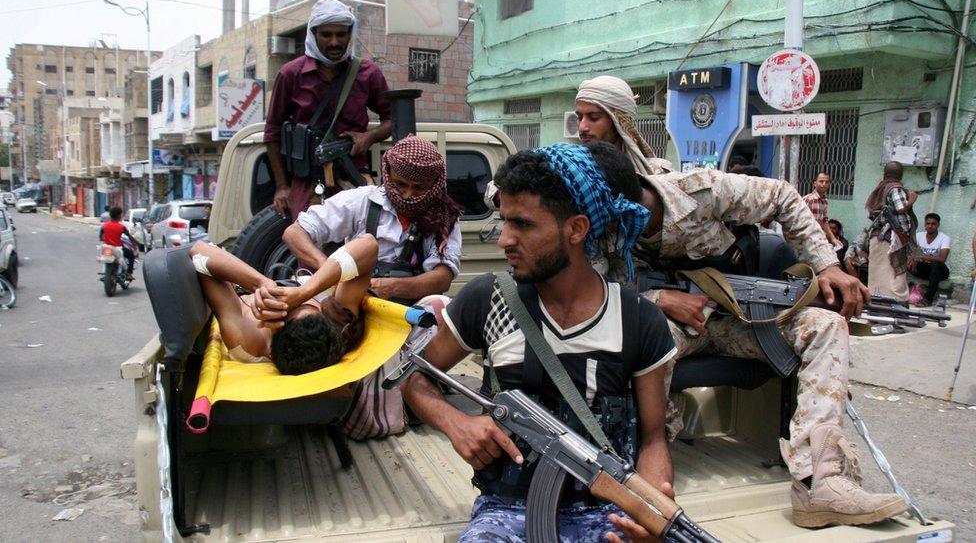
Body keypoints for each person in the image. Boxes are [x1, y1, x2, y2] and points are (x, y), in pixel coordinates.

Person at [591, 140, 907, 528]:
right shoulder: (597, 221)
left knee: (826, 327)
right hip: (668, 325)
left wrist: (826, 264)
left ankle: (818, 482)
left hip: (738, 316)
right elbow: (595, 290)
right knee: (650, 346)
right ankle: (649, 466)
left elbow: (782, 196)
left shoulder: (699, 192)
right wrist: (659, 298)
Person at [402, 145, 675, 543]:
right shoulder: (488, 300)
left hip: (608, 514)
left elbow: (653, 439)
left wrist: (650, 515)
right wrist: (455, 422)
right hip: (505, 514)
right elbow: (414, 379)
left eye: (523, 225)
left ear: (576, 229)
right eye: (504, 222)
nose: (505, 240)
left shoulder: (638, 320)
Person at [284, 135, 462, 438]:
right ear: (388, 173)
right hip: (349, 301)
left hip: (399, 314)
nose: (408, 195)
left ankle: (412, 388)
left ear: (435, 183)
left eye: (419, 188)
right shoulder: (360, 201)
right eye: (401, 184)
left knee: (441, 309)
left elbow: (444, 276)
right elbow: (295, 233)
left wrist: (389, 287)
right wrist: (332, 272)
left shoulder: (444, 216)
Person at [264, 0, 393, 219]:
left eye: (341, 35)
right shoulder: (291, 74)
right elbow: (273, 132)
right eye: (326, 35)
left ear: (349, 35)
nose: (334, 42)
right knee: (309, 248)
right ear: (313, 35)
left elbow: (393, 119)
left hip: (353, 181)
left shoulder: (367, 72)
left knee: (360, 248)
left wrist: (369, 137)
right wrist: (282, 186)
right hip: (308, 184)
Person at [190, 235, 377, 376]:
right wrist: (304, 292)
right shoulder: (340, 321)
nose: (304, 302)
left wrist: (261, 285)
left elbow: (199, 252)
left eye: (293, 308)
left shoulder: (249, 342)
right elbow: (369, 244)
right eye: (309, 306)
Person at [575, 75, 673, 176]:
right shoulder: (570, 173)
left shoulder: (657, 173)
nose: (582, 127)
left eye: (594, 117)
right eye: (579, 117)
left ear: (620, 121)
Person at [866, 161, 917, 302]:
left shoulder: (880, 189)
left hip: (878, 237)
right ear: (901, 175)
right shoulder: (895, 189)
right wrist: (911, 200)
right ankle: (893, 309)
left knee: (877, 274)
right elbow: (900, 208)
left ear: (884, 174)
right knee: (894, 275)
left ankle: (876, 306)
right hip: (891, 239)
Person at [908, 213, 951, 305]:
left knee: (936, 265)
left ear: (938, 225)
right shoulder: (919, 236)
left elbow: (942, 259)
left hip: (940, 271)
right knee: (905, 261)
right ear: (925, 225)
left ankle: (928, 299)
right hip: (923, 269)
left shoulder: (944, 238)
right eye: (928, 223)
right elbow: (912, 253)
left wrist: (921, 257)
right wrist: (913, 258)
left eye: (933, 224)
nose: (930, 226)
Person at [803, 173, 842, 247]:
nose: (824, 184)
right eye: (821, 181)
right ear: (815, 183)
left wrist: (833, 239)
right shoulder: (808, 199)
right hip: (806, 238)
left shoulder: (825, 201)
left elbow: (824, 221)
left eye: (827, 182)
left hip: (817, 238)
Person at [100, 206, 136, 278]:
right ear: (119, 215)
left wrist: (106, 240)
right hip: (118, 249)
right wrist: (136, 243)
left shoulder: (104, 226)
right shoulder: (121, 227)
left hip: (107, 248)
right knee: (131, 256)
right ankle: (129, 273)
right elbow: (130, 237)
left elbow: (101, 237)